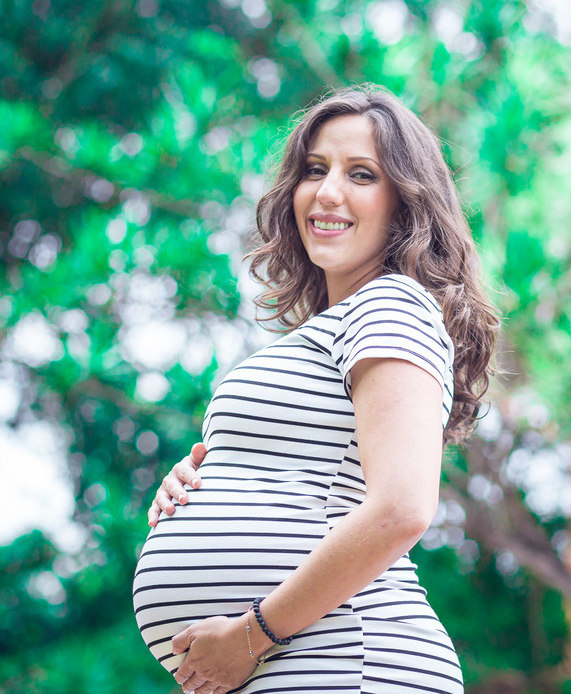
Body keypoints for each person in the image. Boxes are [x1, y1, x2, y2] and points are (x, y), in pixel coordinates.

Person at [132, 84, 499, 694]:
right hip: (300, 666)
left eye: (361, 174)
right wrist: (200, 486)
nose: (327, 192)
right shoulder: (339, 325)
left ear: (405, 204)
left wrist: (252, 634)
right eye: (314, 170)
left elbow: (403, 508)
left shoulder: (391, 304)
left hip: (350, 660)